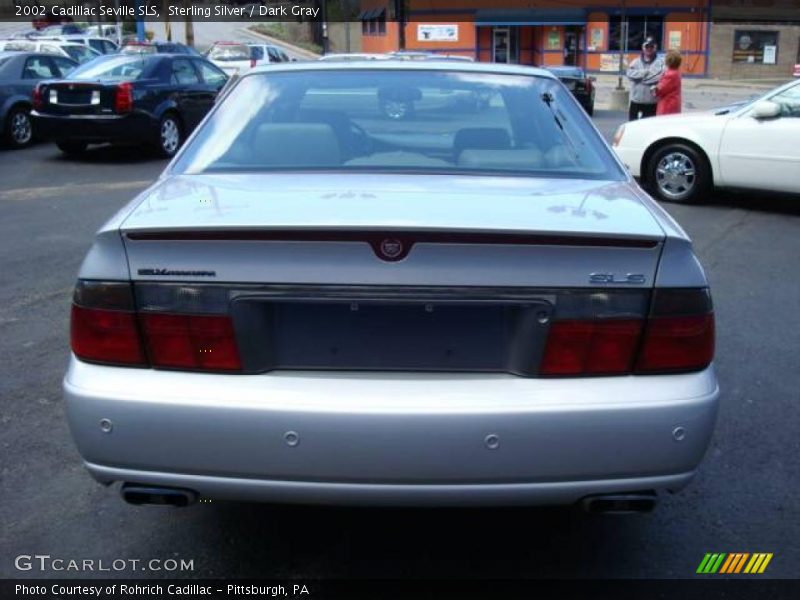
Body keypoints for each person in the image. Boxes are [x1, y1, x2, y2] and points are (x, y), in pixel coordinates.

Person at [626, 37, 665, 120]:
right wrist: (644, 72)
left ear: (655, 48)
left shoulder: (660, 63)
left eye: (651, 47)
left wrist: (639, 78)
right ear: (643, 48)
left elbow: (657, 77)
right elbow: (629, 75)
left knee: (648, 129)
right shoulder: (635, 62)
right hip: (635, 101)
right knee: (632, 127)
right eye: (647, 46)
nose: (649, 49)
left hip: (651, 102)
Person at [655, 50, 683, 115]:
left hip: (667, 105)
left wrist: (654, 88)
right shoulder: (676, 72)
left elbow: (660, 90)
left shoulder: (669, 75)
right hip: (673, 103)